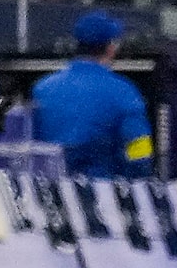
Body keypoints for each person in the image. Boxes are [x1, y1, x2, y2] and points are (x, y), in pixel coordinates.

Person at [32, 11, 154, 177]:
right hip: (104, 193)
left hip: (51, 192)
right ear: (111, 47)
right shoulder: (124, 92)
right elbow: (140, 153)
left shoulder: (42, 88)